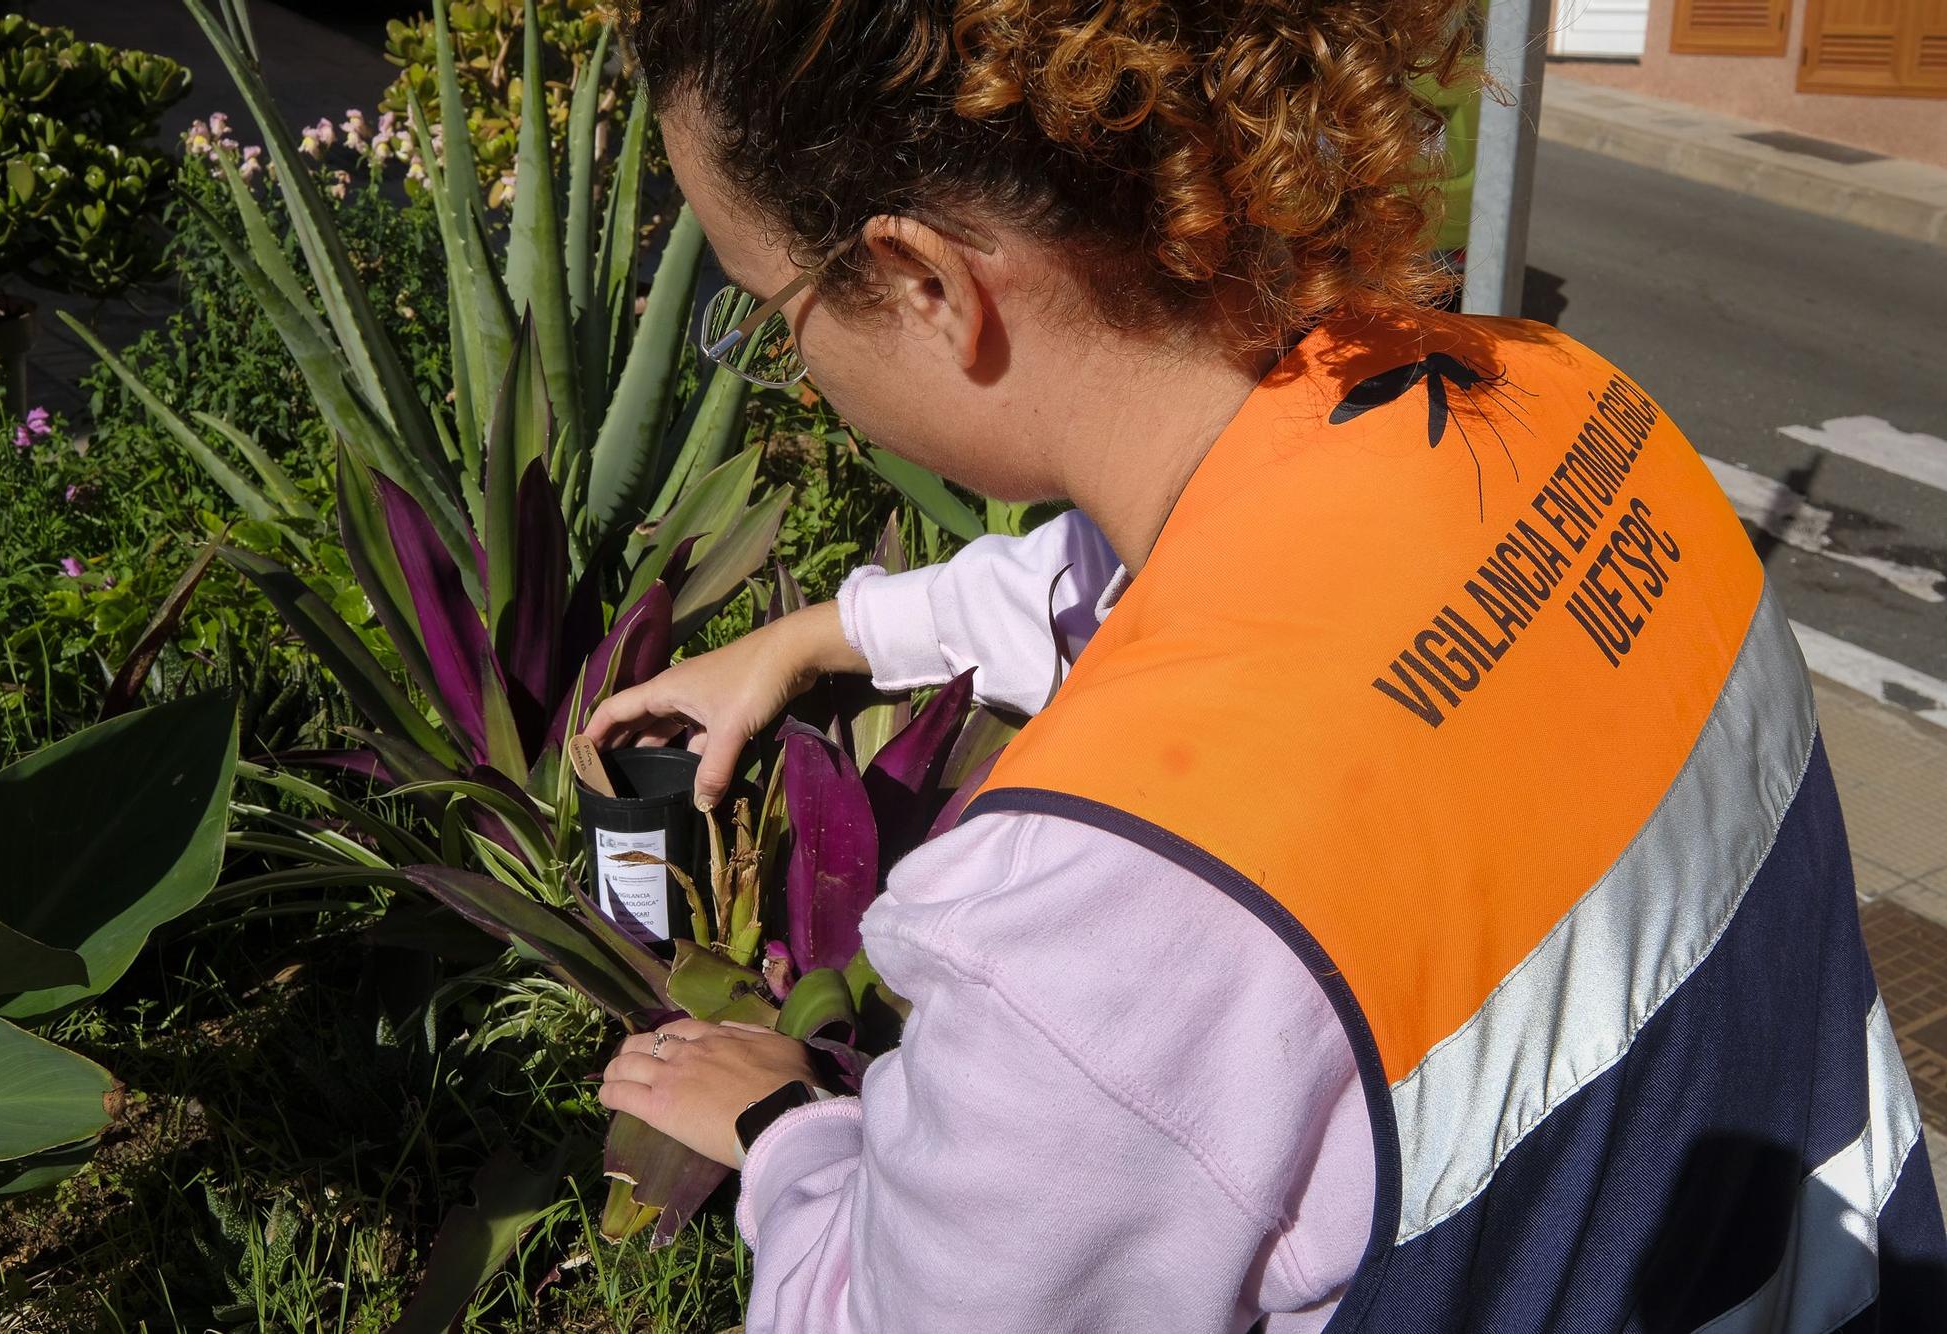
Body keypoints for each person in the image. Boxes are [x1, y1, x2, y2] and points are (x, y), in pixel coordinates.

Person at [586, 2, 1947, 1329]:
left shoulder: (1085, 933)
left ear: (929, 282)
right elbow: (1219, 587)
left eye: (768, 304)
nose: (790, 357)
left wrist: (782, 1130)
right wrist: (819, 637)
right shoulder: (1571, 409)